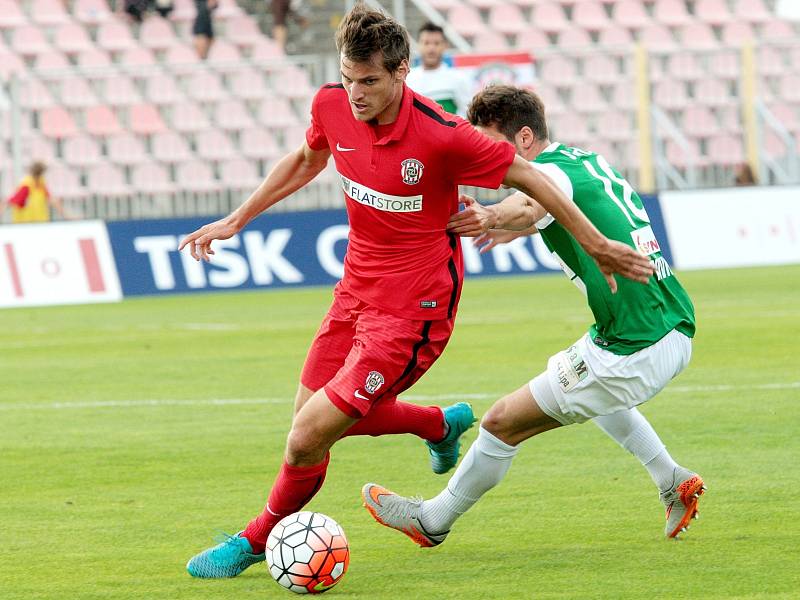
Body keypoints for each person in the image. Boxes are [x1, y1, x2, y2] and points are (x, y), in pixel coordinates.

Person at [180, 6, 653, 579]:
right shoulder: (331, 104)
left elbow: (529, 179)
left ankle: (253, 541)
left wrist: (596, 244)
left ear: (402, 70)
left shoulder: (442, 134)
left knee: (306, 438)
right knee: (308, 418)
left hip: (414, 311)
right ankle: (438, 424)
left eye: (370, 81)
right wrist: (238, 219)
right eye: (349, 77)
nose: (355, 93)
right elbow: (309, 157)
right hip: (354, 289)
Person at [362, 85, 704, 547]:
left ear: (524, 139)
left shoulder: (545, 175)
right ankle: (672, 480)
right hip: (670, 325)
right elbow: (550, 208)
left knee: (501, 422)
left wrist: (492, 216)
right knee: (597, 396)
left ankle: (432, 520)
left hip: (634, 345)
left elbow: (530, 200)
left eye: (490, 143)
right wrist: (510, 227)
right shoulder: (581, 161)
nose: (483, 157)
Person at [406, 22, 472, 117]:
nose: (431, 48)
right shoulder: (408, 79)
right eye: (426, 43)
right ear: (418, 45)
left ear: (445, 46)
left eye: (436, 43)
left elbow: (468, 115)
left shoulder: (459, 78)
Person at [2, 161, 69, 223]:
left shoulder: (41, 184)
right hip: (26, 225)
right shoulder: (26, 186)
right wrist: (66, 215)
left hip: (38, 223)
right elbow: (9, 202)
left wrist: (65, 215)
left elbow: (52, 200)